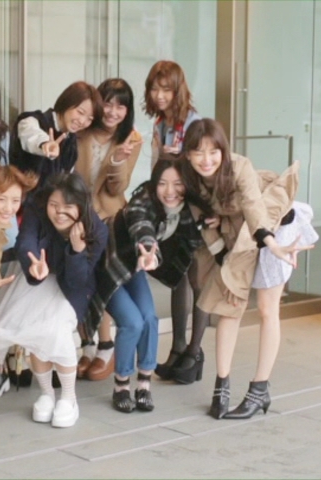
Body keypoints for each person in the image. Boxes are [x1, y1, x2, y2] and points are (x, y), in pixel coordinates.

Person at [180, 118, 315, 419]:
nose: (206, 159)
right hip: (236, 233)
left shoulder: (239, 166)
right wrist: (224, 266)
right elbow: (205, 226)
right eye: (198, 152)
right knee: (229, 304)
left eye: (213, 151)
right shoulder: (190, 181)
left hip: (275, 226)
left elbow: (255, 209)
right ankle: (221, 387)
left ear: (223, 150)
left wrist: (273, 245)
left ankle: (260, 389)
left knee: (267, 309)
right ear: (188, 154)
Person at [88, 159, 207, 413]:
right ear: (154, 184)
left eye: (177, 183)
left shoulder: (187, 209)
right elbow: (141, 225)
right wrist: (149, 250)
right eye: (162, 183)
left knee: (150, 319)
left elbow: (196, 234)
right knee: (132, 322)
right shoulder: (143, 200)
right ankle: (121, 385)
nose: (169, 191)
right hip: (108, 266)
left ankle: (143, 384)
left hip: (135, 267)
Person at [0, 173, 107, 428]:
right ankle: (46, 394)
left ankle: (69, 398)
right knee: (30, 326)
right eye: (54, 205)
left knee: (54, 331)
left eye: (68, 207)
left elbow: (78, 281)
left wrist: (76, 250)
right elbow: (25, 241)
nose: (59, 213)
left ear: (81, 206)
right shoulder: (37, 207)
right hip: (39, 276)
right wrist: (33, 264)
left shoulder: (96, 230)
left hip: (73, 289)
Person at [143, 60, 208, 382]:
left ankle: (194, 352)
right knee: (176, 275)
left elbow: (204, 165)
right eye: (155, 89)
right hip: (172, 206)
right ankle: (178, 347)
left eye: (166, 89)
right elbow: (158, 167)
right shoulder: (160, 123)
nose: (160, 95)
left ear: (177, 90)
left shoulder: (193, 122)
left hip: (194, 208)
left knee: (197, 279)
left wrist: (177, 157)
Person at [74, 78, 143, 382]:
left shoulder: (131, 139)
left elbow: (117, 187)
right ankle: (87, 346)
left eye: (121, 106)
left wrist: (116, 161)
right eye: (108, 103)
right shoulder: (82, 130)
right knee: (79, 280)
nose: (113, 111)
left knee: (101, 281)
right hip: (78, 215)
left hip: (109, 218)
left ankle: (105, 346)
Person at [11, 81, 103, 194]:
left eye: (90, 119)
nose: (82, 121)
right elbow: (31, 136)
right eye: (80, 112)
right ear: (67, 102)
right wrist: (45, 144)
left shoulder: (71, 141)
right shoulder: (32, 121)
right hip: (20, 200)